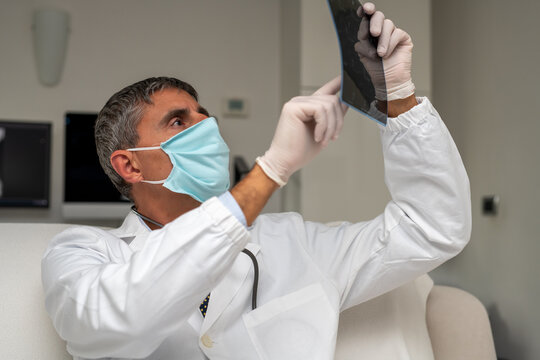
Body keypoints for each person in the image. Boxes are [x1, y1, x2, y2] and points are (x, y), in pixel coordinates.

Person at [41, 3, 471, 359]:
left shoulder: (297, 243)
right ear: (130, 166)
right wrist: (270, 172)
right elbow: (110, 322)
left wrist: (399, 95)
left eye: (202, 115)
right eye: (178, 121)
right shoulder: (83, 253)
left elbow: (432, 230)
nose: (206, 126)